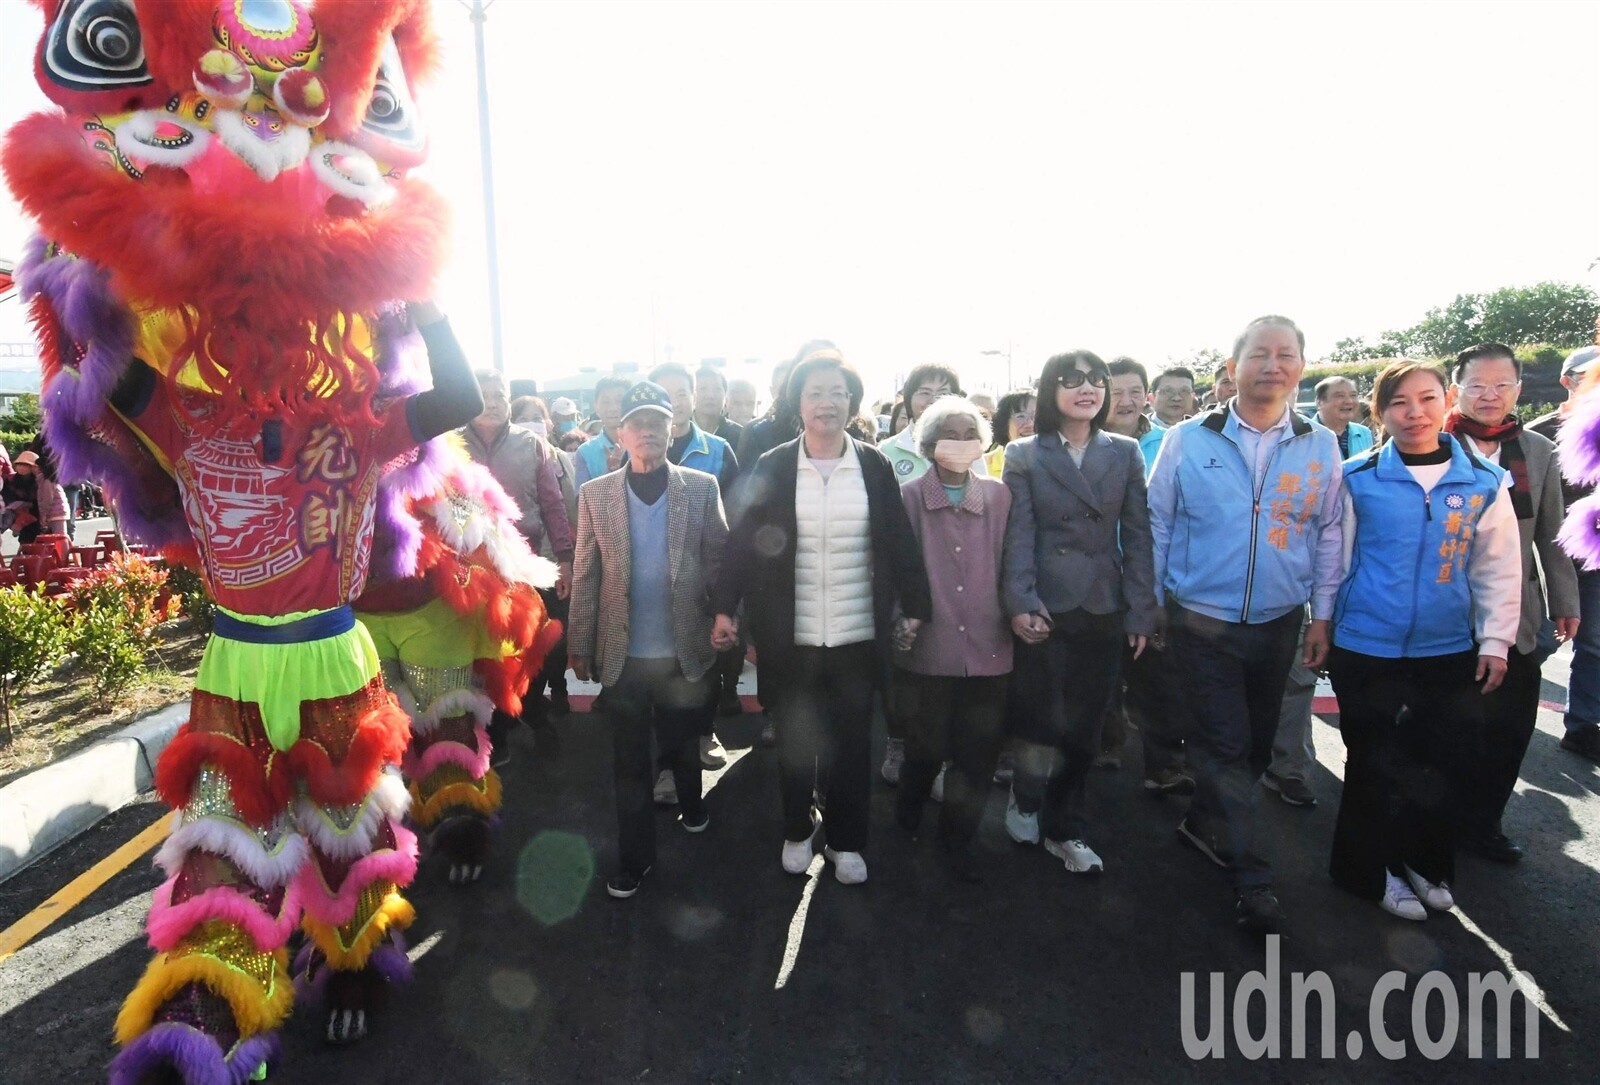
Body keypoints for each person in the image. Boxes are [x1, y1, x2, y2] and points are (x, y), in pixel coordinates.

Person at [1147, 315, 1343, 932]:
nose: (1272, 365)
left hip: (1280, 620)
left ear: (1301, 368)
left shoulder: (1320, 443)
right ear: (1232, 369)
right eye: (1259, 354)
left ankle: (1205, 821)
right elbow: (1157, 522)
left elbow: (1330, 529)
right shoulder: (1189, 438)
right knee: (1225, 747)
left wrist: (1323, 613)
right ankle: (1252, 879)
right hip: (1200, 622)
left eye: (1286, 354)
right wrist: (1150, 602)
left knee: (1255, 746)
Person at [711, 348, 931, 885]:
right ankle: (796, 827)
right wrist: (724, 606)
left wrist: (917, 606)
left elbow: (899, 542)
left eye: (837, 393)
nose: (826, 403)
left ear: (852, 402)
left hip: (858, 633)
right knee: (794, 737)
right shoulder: (776, 464)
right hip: (792, 634)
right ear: (797, 404)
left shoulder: (873, 464)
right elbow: (742, 542)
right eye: (815, 393)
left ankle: (847, 840)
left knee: (854, 742)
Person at [1328, 360, 1520, 922]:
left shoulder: (1485, 481)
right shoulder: (1356, 476)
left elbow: (1498, 568)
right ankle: (1364, 870)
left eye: (1427, 398)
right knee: (1372, 759)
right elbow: (1335, 560)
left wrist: (1495, 641)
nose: (1414, 413)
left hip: (1447, 646)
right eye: (1398, 403)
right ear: (1380, 412)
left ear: (1447, 400)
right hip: (1366, 643)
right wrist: (1322, 624)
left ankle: (1423, 863)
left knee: (1440, 760)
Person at [567, 381, 728, 899]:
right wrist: (579, 642)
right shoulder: (595, 495)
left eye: (659, 423)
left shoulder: (701, 488)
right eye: (638, 424)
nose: (649, 432)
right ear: (620, 433)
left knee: (682, 745)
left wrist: (729, 617)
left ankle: (693, 802)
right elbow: (587, 573)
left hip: (685, 650)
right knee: (629, 764)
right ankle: (635, 859)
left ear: (672, 429)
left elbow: (720, 560)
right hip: (624, 655)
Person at [1001, 351, 1157, 874]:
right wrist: (1020, 600)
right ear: (1051, 391)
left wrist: (1140, 610)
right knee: (1041, 718)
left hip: (1103, 603)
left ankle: (1066, 827)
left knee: (1087, 726)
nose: (1086, 388)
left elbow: (1137, 536)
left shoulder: (1127, 451)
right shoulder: (1024, 453)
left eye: (1095, 380)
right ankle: (1026, 795)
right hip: (1046, 603)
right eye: (1071, 381)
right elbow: (1018, 535)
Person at [1444, 343, 1578, 862]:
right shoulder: (1433, 442)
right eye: (1477, 385)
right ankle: (1437, 825)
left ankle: (1484, 825)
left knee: (1508, 730)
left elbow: (1552, 535)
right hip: (1445, 611)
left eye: (1502, 385)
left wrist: (1566, 600)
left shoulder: (1537, 451)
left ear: (1519, 390)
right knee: (1448, 728)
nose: (1490, 396)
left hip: (1519, 614)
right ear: (1457, 390)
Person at [893, 395, 1012, 881]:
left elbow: (1013, 562)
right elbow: (899, 567)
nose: (961, 443)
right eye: (949, 434)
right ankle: (906, 816)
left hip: (990, 644)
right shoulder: (910, 497)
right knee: (924, 746)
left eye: (970, 434)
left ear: (983, 443)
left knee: (977, 754)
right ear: (927, 443)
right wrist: (905, 616)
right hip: (931, 644)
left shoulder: (1000, 497)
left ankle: (957, 839)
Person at [462, 370, 575, 753]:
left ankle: (528, 710)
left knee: (533, 649)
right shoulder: (450, 444)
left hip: (523, 566)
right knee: (483, 654)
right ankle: (497, 733)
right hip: (467, 570)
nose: (493, 402)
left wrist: (565, 559)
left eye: (500, 394)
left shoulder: (534, 445)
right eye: (484, 394)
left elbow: (553, 505)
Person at [648, 362, 739, 771]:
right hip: (652, 588)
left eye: (681, 394)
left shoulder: (717, 450)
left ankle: (705, 731)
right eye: (664, 396)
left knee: (705, 666)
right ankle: (669, 756)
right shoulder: (637, 450)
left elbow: (738, 519)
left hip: (704, 585)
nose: (676, 403)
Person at [1534, 346, 1600, 764]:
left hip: (1595, 562)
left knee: (1594, 643)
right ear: (1568, 381)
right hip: (1550, 561)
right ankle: (1473, 703)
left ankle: (1582, 726)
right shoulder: (1541, 432)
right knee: (1535, 640)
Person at [881, 365, 964, 481]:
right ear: (909, 399)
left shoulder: (967, 446)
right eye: (925, 393)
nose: (934, 400)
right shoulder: (886, 451)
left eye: (943, 393)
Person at [1105, 357, 1162, 472]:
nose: (1126, 402)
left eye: (1135, 392)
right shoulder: (1082, 443)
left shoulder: (1168, 441)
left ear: (1146, 395)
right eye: (1116, 393)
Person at [574, 376, 631, 488]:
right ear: (596, 407)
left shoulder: (644, 443)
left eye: (619, 401)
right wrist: (610, 472)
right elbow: (580, 500)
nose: (613, 408)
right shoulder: (585, 452)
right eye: (606, 402)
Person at [3, 449, 68, 542]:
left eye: (25, 465)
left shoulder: (41, 480)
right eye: (19, 465)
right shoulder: (11, 479)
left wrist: (42, 514)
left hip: (39, 513)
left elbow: (46, 498)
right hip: (23, 513)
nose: (21, 468)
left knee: (55, 537)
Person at [1310, 376, 1374, 458]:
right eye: (1340, 396)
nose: (1349, 401)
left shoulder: (1364, 433)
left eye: (1353, 395)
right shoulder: (1303, 436)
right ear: (1320, 402)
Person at [984, 389, 1036, 477]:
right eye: (1021, 416)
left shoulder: (1055, 463)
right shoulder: (983, 466)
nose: (1030, 424)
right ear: (1004, 423)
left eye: (1036, 416)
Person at [694, 364, 745, 451]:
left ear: (725, 396)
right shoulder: (681, 431)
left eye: (717, 389)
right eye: (703, 388)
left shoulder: (740, 435)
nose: (710, 395)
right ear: (693, 394)